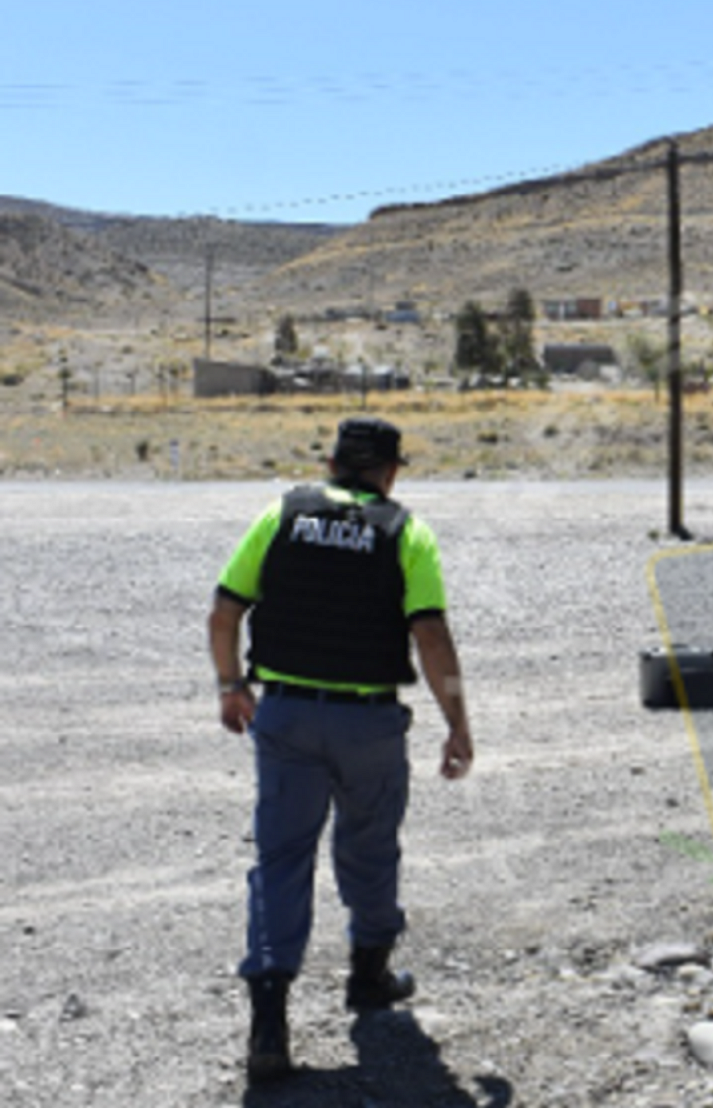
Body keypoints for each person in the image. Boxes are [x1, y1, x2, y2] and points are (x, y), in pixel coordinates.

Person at [208, 416, 474, 1084]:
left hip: (288, 714)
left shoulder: (281, 515)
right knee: (370, 847)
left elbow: (224, 610)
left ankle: (269, 1017)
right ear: (391, 470)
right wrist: (457, 722)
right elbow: (431, 636)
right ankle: (369, 975)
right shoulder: (404, 531)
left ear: (332, 461)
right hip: (368, 722)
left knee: (280, 860)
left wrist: (230, 684)